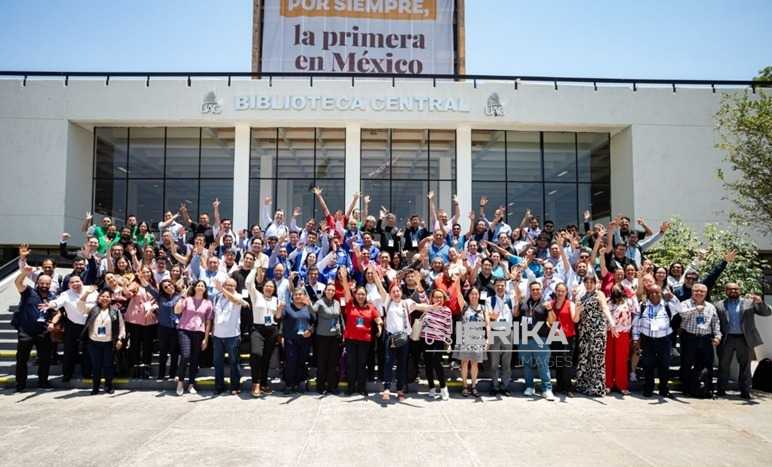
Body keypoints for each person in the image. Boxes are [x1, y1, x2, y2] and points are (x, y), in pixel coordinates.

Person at [715, 283, 771, 399]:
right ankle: (721, 390)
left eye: (735, 289)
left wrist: (760, 302)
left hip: (744, 338)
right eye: (730, 289)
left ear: (739, 290)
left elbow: (766, 313)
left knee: (745, 366)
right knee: (723, 365)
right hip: (727, 338)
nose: (733, 291)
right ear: (726, 291)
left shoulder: (749, 302)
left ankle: (745, 391)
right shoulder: (719, 305)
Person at [39, 275, 93, 382]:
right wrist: (50, 305)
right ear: (69, 285)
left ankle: (87, 373)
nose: (75, 284)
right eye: (72, 282)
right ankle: (67, 374)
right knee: (69, 351)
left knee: (88, 351)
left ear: (82, 281)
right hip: (73, 325)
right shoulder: (65, 294)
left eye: (77, 281)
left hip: (89, 325)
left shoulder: (91, 290)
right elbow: (57, 302)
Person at [12, 257, 54, 392]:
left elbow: (58, 312)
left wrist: (53, 322)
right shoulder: (29, 292)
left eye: (47, 284)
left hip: (43, 331)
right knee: (22, 360)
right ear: (37, 283)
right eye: (42, 283)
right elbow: (17, 283)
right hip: (26, 332)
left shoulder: (52, 297)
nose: (44, 286)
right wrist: (24, 273)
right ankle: (20, 384)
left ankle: (43, 382)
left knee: (45, 359)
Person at [340, 269, 383, 396]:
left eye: (363, 294)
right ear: (355, 295)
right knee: (351, 363)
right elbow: (347, 292)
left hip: (365, 340)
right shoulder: (350, 305)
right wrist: (344, 278)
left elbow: (377, 318)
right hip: (351, 339)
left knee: (362, 364)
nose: (361, 296)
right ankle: (351, 387)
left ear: (366, 296)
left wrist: (380, 326)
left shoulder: (370, 307)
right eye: (358, 294)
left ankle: (362, 387)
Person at [632, 285, 679, 397]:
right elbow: (636, 324)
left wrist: (672, 297)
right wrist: (635, 339)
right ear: (648, 294)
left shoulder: (668, 305)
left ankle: (664, 389)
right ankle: (648, 388)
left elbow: (680, 308)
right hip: (648, 340)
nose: (654, 295)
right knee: (648, 365)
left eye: (657, 292)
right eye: (651, 293)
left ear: (661, 293)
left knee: (664, 366)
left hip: (664, 340)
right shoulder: (643, 306)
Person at [678, 283, 721, 397]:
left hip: (706, 339)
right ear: (692, 291)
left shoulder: (710, 306)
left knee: (708, 364)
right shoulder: (685, 303)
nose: (699, 293)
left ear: (706, 293)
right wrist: (695, 309)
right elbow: (682, 314)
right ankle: (686, 388)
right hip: (690, 337)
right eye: (696, 290)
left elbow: (715, 323)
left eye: (702, 291)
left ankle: (708, 389)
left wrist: (717, 336)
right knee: (687, 364)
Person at [575, 275, 615, 397]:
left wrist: (612, 323)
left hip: (597, 331)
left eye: (591, 282)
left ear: (595, 283)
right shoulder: (581, 297)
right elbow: (577, 318)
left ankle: (597, 388)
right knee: (584, 358)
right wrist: (578, 307)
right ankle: (583, 385)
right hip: (584, 331)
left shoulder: (599, 294)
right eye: (586, 282)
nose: (589, 284)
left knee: (596, 358)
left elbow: (605, 308)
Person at [81, 289, 126, 394]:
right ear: (98, 298)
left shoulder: (115, 311)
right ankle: (95, 387)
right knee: (96, 366)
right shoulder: (92, 309)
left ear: (111, 299)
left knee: (108, 365)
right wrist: (86, 294)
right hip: (93, 342)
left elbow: (121, 326)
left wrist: (120, 339)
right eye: (103, 296)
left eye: (107, 297)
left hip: (109, 342)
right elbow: (80, 306)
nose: (105, 298)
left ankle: (109, 386)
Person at [246, 267, 282, 397]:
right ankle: (255, 383)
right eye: (267, 286)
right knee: (256, 354)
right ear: (263, 287)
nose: (269, 288)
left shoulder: (275, 300)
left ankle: (264, 383)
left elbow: (277, 317)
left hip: (271, 330)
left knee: (266, 358)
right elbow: (249, 283)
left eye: (271, 287)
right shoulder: (257, 296)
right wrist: (255, 269)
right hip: (258, 329)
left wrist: (280, 309)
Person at [174, 280, 213, 396]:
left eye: (203, 285)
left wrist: (206, 338)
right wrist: (182, 296)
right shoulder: (187, 299)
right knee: (186, 355)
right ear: (195, 287)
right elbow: (177, 310)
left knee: (195, 359)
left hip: (199, 332)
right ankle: (180, 382)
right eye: (199, 285)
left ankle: (191, 383)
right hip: (184, 330)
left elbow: (208, 322)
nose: (200, 287)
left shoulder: (208, 303)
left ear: (205, 289)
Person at [518, 282, 555, 401]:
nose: (535, 291)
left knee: (542, 365)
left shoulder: (546, 304)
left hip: (541, 338)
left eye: (537, 289)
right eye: (533, 289)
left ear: (541, 291)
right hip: (524, 338)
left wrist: (549, 310)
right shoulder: (524, 303)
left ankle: (547, 389)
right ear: (530, 290)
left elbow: (552, 321)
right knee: (527, 365)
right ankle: (529, 386)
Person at [141, 277, 182, 380]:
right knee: (163, 352)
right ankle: (161, 374)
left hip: (176, 328)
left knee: (174, 353)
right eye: (165, 287)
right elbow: (148, 287)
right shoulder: (160, 297)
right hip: (163, 328)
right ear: (163, 289)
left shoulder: (180, 296)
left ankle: (172, 374)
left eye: (169, 285)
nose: (168, 287)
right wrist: (141, 277)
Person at [212, 278, 248, 395]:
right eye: (227, 284)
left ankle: (235, 386)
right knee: (218, 362)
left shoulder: (238, 296)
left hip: (232, 335)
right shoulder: (217, 296)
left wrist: (221, 289)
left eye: (232, 285)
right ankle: (219, 386)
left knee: (234, 362)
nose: (229, 287)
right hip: (217, 335)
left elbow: (233, 300)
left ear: (236, 287)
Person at [123, 267, 158, 379]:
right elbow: (128, 294)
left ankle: (146, 367)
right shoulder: (135, 284)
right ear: (140, 274)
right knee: (135, 344)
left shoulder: (155, 285)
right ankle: (135, 366)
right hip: (135, 319)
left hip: (150, 318)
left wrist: (152, 307)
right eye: (144, 272)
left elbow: (159, 300)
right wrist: (125, 286)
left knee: (148, 345)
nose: (146, 274)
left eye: (148, 272)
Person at [485, 277, 518, 396]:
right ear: (494, 287)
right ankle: (494, 385)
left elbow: (516, 314)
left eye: (502, 285)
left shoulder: (510, 299)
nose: (500, 287)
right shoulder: (489, 300)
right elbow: (488, 316)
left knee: (506, 362)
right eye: (498, 285)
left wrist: (516, 305)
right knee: (494, 362)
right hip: (495, 332)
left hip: (508, 332)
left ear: (505, 287)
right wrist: (493, 316)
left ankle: (505, 386)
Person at [309, 282, 343, 395]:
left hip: (335, 337)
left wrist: (341, 330)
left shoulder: (337, 303)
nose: (331, 292)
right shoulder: (320, 302)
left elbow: (338, 318)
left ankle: (332, 386)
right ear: (325, 291)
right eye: (329, 290)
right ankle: (321, 386)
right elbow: (313, 310)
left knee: (333, 363)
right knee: (322, 362)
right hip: (322, 337)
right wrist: (307, 302)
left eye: (333, 290)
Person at [455, 287, 490, 398]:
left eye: (476, 294)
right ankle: (465, 386)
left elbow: (488, 324)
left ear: (479, 295)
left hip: (478, 338)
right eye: (471, 294)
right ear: (468, 295)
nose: (474, 296)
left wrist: (488, 339)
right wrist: (457, 278)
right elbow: (458, 292)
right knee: (464, 363)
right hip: (465, 338)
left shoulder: (484, 308)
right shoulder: (465, 307)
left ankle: (474, 386)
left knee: (475, 363)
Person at [421, 289, 454, 401]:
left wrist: (448, 342)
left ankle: (444, 388)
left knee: (436, 361)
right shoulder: (428, 307)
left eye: (441, 297)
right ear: (432, 298)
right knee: (428, 364)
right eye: (436, 297)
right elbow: (421, 294)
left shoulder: (447, 311)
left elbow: (448, 328)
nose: (438, 299)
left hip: (439, 340)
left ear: (444, 299)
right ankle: (431, 388)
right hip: (426, 339)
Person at [281, 288, 314, 394]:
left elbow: (314, 321)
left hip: (305, 340)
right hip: (291, 339)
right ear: (292, 296)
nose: (298, 296)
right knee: (290, 362)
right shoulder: (287, 308)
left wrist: (310, 330)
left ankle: (300, 383)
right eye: (296, 294)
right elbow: (280, 320)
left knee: (302, 361)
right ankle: (289, 384)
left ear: (304, 296)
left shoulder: (308, 307)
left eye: (300, 294)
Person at [548, 282, 578, 395]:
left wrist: (578, 310)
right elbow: (548, 320)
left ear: (566, 292)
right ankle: (559, 385)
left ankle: (568, 387)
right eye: (558, 291)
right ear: (556, 291)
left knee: (567, 362)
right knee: (558, 362)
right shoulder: (551, 304)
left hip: (568, 336)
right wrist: (552, 328)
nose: (560, 293)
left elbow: (575, 319)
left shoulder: (570, 304)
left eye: (563, 291)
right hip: (555, 337)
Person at [605, 284, 635, 395]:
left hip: (623, 333)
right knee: (609, 359)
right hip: (610, 332)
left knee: (621, 360)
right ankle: (608, 384)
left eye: (618, 289)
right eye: (614, 290)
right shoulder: (608, 301)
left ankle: (622, 385)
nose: (616, 291)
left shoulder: (629, 301)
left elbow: (635, 312)